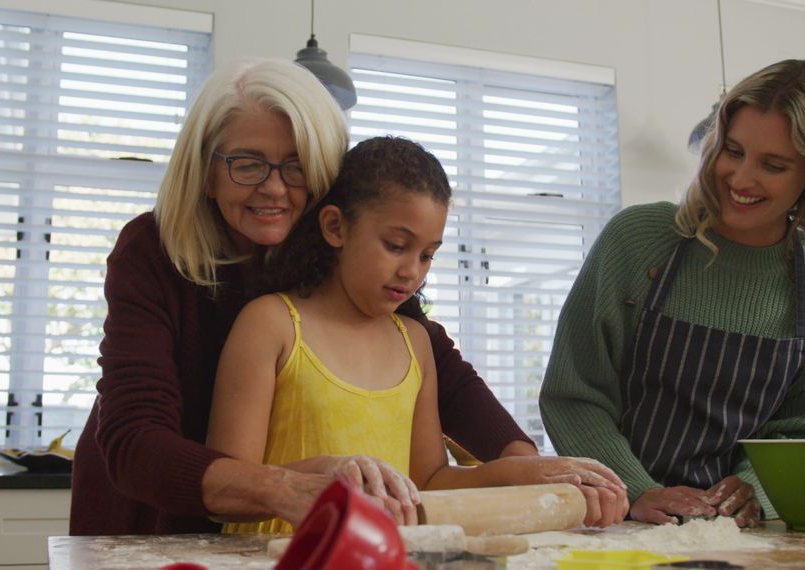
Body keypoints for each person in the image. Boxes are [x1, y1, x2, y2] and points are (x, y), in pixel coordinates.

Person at [71, 58, 624, 536]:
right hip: (156, 507)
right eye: (246, 163)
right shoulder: (154, 248)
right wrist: (286, 485)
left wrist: (525, 465)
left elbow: (441, 370)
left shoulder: (340, 258)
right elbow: (135, 438)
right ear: (206, 170)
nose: (273, 186)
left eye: (296, 166)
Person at [206, 136, 629, 534]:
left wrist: (523, 473)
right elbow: (227, 487)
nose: (412, 271)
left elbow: (428, 480)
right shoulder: (270, 323)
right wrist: (331, 470)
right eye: (395, 245)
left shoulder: (415, 341)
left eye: (427, 254)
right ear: (335, 227)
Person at [540, 59, 805, 528]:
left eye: (773, 165)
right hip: (618, 517)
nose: (741, 179)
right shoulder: (638, 239)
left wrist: (756, 487)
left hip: (747, 531)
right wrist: (636, 491)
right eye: (733, 151)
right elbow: (575, 394)